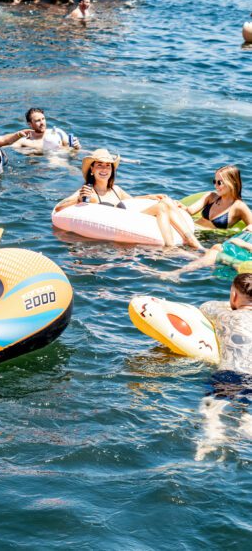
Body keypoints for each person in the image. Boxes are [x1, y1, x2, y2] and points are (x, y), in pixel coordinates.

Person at [54, 148, 203, 249]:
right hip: (112, 227)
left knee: (167, 202)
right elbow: (59, 207)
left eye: (108, 166)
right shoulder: (88, 191)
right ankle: (172, 247)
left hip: (130, 221)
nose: (104, 169)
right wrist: (78, 199)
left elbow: (133, 201)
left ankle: (192, 243)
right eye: (99, 165)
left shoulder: (116, 189)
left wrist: (150, 196)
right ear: (92, 170)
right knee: (162, 206)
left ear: (112, 170)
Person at [195, 274, 252, 461]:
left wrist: (230, 302)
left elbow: (205, 307)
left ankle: (213, 439)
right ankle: (246, 426)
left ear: (234, 296)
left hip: (231, 375)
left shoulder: (226, 316)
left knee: (211, 411)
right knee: (245, 410)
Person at [183, 166, 252, 231]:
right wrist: (179, 206)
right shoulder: (211, 196)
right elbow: (190, 211)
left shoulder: (239, 207)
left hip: (210, 239)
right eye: (214, 182)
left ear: (232, 182)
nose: (215, 186)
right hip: (193, 229)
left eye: (219, 182)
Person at [12, 108, 81, 153]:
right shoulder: (25, 141)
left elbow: (73, 151)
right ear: (30, 124)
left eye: (43, 119)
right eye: (38, 121)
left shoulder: (57, 133)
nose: (42, 123)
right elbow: (7, 147)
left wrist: (77, 147)